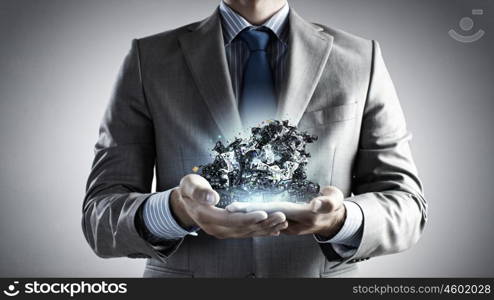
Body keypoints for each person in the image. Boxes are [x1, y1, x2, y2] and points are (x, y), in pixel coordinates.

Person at [82, 0, 427, 277]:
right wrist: (176, 211)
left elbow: (407, 207)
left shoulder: (360, 60)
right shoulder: (150, 59)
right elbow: (100, 216)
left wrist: (339, 219)